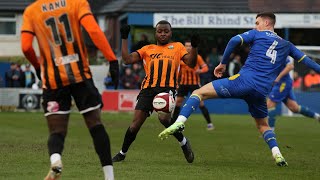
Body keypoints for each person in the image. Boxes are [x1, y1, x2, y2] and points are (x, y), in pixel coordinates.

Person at [159, 12, 320, 167]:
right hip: (261, 91)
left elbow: (234, 40)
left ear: (266, 23)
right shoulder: (287, 45)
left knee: (198, 93)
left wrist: (223, 63)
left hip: (243, 81)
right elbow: (309, 63)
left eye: (257, 23)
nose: (255, 26)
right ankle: (277, 153)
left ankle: (180, 122)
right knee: (263, 125)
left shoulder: (257, 34)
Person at [20, 0, 119, 179]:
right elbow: (94, 30)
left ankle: (56, 160)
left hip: (53, 81)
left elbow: (26, 47)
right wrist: (111, 59)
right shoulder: (77, 3)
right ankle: (109, 176)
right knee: (96, 126)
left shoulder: (31, 11)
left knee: (57, 131)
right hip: (80, 76)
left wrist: (37, 65)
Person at [112, 20, 198, 163]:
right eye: (160, 31)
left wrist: (194, 47)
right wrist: (124, 38)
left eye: (166, 31)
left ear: (171, 33)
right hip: (147, 89)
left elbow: (191, 63)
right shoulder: (147, 49)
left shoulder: (178, 47)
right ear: (155, 33)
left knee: (164, 119)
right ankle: (122, 153)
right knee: (135, 125)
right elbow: (127, 60)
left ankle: (183, 142)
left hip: (167, 88)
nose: (163, 34)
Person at [268, 58, 320, 131]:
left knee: (270, 104)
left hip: (282, 83)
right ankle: (317, 116)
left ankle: (270, 132)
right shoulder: (267, 54)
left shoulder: (280, 52)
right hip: (280, 83)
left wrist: (278, 77)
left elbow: (290, 66)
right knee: (294, 108)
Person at [173, 40, 214, 130]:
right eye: (186, 46)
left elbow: (205, 67)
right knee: (178, 102)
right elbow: (176, 70)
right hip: (183, 84)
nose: (188, 47)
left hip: (194, 84)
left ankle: (209, 124)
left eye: (190, 46)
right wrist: (176, 82)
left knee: (201, 103)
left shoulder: (197, 57)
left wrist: (200, 71)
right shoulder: (180, 57)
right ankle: (173, 123)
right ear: (184, 47)